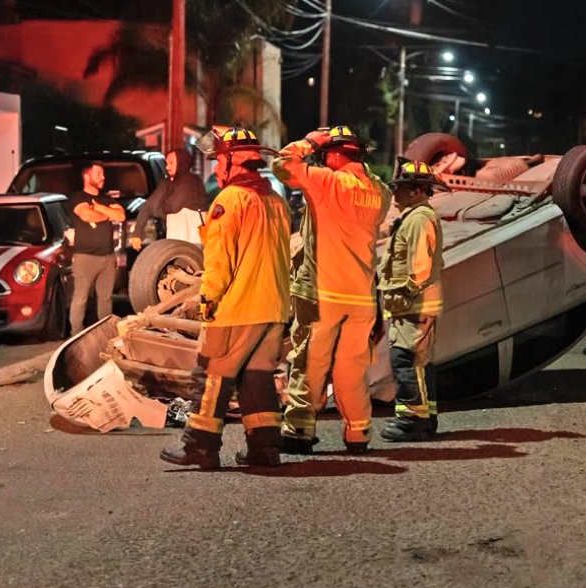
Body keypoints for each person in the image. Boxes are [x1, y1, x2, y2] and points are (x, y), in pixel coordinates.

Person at [160, 127, 291, 469]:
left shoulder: (229, 201)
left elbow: (219, 263)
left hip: (238, 308)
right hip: (274, 309)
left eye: (219, 160)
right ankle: (265, 450)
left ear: (233, 161)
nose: (217, 169)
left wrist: (206, 300)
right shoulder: (276, 201)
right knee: (258, 380)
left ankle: (199, 446)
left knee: (212, 375)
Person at [273, 125, 391, 454]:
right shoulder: (378, 191)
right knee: (351, 369)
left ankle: (298, 431)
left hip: (323, 293)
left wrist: (309, 142)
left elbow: (282, 165)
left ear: (337, 154)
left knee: (309, 362)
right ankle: (358, 433)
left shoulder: (327, 183)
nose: (323, 161)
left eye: (327, 155)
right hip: (361, 298)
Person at [378, 161, 447, 442]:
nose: (395, 195)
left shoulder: (419, 219)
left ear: (418, 191)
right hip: (414, 303)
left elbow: (419, 266)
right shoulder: (416, 216)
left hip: (413, 305)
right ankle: (425, 418)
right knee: (418, 362)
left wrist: (404, 294)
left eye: (402, 189)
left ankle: (412, 421)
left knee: (406, 361)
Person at [68, 161, 124, 334]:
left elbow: (120, 215)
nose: (103, 177)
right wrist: (108, 214)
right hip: (86, 257)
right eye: (99, 173)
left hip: (107, 257)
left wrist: (100, 208)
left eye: (103, 174)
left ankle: (105, 334)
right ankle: (76, 334)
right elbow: (86, 215)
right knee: (81, 298)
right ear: (87, 176)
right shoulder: (78, 198)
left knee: (106, 299)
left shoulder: (106, 199)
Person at [127, 145, 208, 250]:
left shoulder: (191, 181)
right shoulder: (167, 183)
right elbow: (148, 206)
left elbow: (173, 206)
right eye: (166, 163)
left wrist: (159, 209)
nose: (166, 167)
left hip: (194, 241)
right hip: (175, 240)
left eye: (171, 163)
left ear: (181, 162)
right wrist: (137, 233)